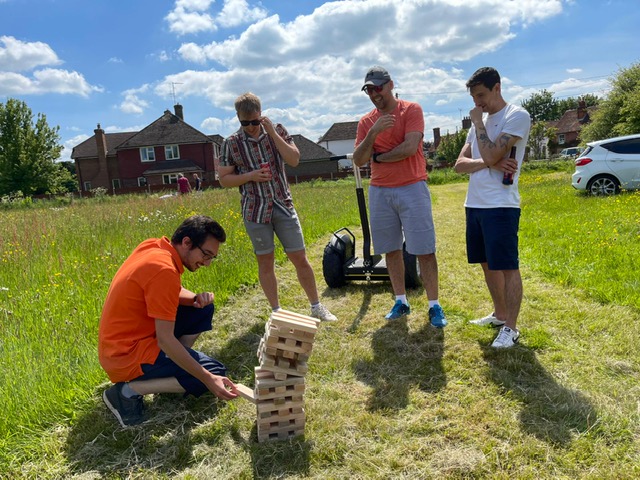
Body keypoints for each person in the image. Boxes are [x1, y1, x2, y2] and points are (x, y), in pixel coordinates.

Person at [99, 215, 238, 427]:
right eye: (206, 255)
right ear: (187, 242)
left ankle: (171, 372)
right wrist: (208, 378)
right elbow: (165, 339)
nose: (207, 264)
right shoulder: (164, 269)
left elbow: (166, 290)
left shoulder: (154, 247)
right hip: (126, 355)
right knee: (214, 373)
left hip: (126, 343)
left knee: (202, 308)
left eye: (212, 258)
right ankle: (127, 392)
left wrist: (194, 299)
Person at [218, 92, 337, 322]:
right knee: (265, 261)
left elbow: (294, 159)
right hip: (255, 209)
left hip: (282, 204)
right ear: (237, 118)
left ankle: (316, 306)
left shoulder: (278, 130)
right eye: (245, 123)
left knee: (299, 257)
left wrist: (271, 132)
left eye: (254, 121)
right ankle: (276, 311)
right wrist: (251, 175)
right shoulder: (231, 143)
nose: (250, 127)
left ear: (261, 115)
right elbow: (223, 179)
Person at [353, 66, 447, 328]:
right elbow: (359, 160)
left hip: (412, 186)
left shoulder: (411, 110)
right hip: (380, 190)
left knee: (424, 249)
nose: (374, 94)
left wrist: (379, 157)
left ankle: (434, 306)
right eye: (369, 90)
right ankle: (400, 301)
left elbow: (409, 147)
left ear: (391, 85)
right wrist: (373, 133)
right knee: (390, 249)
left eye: (378, 87)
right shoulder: (365, 122)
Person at [454, 67, 531, 348]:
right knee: (487, 264)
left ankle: (511, 328)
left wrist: (479, 127)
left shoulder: (516, 116)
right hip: (474, 204)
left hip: (501, 205)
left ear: (497, 88)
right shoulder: (480, 123)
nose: (477, 103)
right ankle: (499, 314)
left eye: (481, 95)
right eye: (474, 97)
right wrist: (493, 162)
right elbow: (459, 165)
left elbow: (487, 152)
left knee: (507, 266)